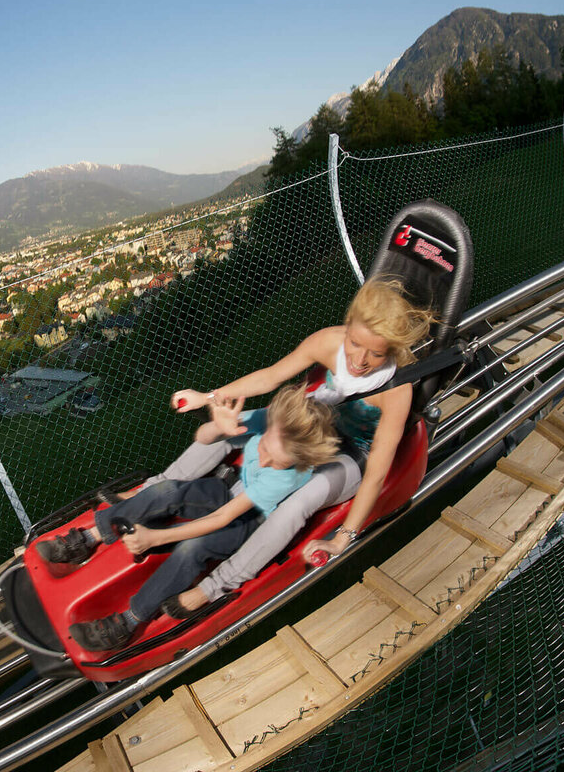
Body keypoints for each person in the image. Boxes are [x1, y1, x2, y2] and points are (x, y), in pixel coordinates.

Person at [160, 277, 434, 616]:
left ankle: (214, 587)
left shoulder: (395, 391)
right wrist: (208, 397)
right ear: (347, 326)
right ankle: (158, 488)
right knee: (232, 425)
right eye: (355, 343)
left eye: (376, 353)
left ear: (390, 350)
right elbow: (270, 377)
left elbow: (377, 471)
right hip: (316, 422)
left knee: (298, 503)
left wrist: (343, 538)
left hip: (352, 454)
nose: (360, 360)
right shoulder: (328, 342)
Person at [36, 385, 340, 652]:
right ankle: (89, 537)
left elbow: (223, 517)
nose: (264, 460)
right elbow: (204, 437)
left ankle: (128, 621)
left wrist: (155, 538)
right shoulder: (267, 422)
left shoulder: (288, 476)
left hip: (245, 519)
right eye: (264, 448)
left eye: (277, 462)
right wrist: (219, 426)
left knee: (193, 548)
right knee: (168, 490)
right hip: (224, 493)